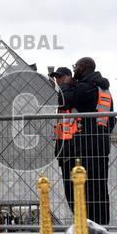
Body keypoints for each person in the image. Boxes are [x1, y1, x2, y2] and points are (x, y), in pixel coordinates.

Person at [59, 56, 115, 225]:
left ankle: (86, 226)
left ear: (82, 67)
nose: (74, 69)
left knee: (79, 189)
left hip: (82, 146)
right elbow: (112, 120)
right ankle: (100, 225)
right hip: (100, 146)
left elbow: (64, 101)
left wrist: (65, 85)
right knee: (98, 188)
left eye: (75, 66)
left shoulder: (85, 86)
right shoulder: (104, 89)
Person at [48, 66, 77, 207]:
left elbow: (64, 101)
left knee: (73, 190)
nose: (57, 80)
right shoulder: (65, 91)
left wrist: (65, 85)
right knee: (69, 191)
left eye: (59, 77)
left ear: (67, 77)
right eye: (56, 77)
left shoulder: (71, 91)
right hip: (64, 148)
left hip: (72, 148)